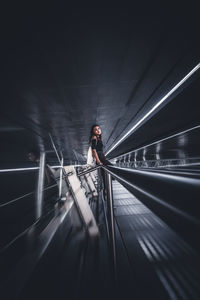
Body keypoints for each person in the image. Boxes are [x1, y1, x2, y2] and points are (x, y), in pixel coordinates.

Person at [89, 125, 113, 192]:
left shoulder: (98, 138)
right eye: (96, 129)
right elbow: (94, 150)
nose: (98, 130)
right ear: (93, 132)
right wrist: (98, 161)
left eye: (99, 128)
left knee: (104, 174)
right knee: (112, 167)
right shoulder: (94, 137)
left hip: (101, 156)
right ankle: (107, 189)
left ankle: (106, 190)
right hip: (100, 157)